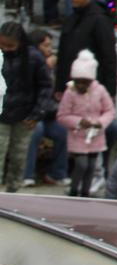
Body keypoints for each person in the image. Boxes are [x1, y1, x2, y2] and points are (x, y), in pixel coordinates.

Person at [55, 0, 117, 187]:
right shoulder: (72, 18)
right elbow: (64, 55)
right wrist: (59, 86)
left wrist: (110, 90)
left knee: (100, 129)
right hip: (71, 87)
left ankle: (97, 173)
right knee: (72, 127)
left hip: (95, 87)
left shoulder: (99, 20)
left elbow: (109, 57)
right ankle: (71, 174)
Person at [0, 22, 52, 192]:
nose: (6, 48)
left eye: (10, 45)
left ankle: (13, 191)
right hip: (2, 113)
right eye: (2, 44)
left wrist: (37, 113)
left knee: (18, 157)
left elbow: (45, 86)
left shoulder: (33, 57)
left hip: (25, 115)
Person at [57, 50, 115, 198]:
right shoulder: (70, 92)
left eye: (85, 82)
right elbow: (62, 115)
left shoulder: (100, 90)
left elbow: (109, 110)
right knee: (81, 164)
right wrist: (77, 122)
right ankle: (74, 189)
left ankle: (85, 192)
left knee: (91, 165)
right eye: (78, 82)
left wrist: (100, 123)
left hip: (95, 135)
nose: (81, 85)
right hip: (78, 136)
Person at [22, 29, 69, 187]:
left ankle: (57, 174)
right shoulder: (27, 63)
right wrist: (45, 69)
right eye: (46, 45)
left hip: (49, 113)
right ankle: (26, 174)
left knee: (63, 131)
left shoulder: (54, 65)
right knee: (36, 130)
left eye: (50, 45)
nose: (50, 49)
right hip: (30, 113)